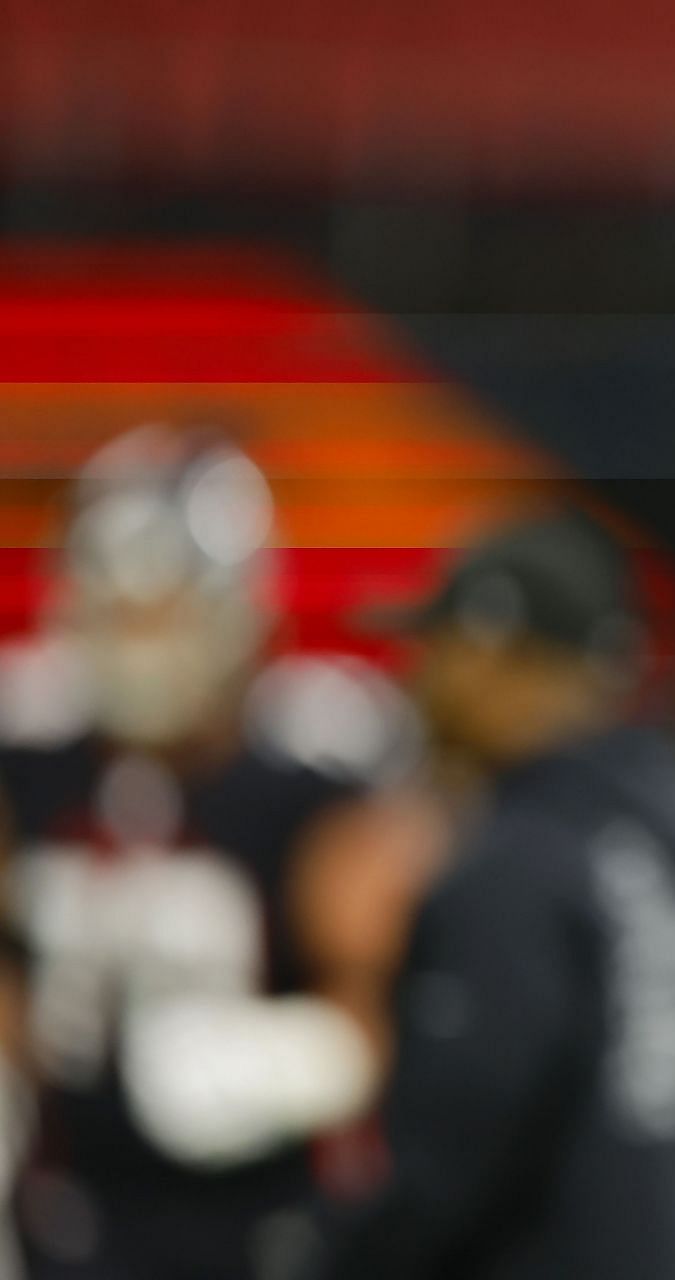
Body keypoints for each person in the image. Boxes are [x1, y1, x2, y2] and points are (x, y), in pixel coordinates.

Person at [0, 427, 409, 1279]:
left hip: (253, 1227)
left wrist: (289, 1058)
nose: (136, 642)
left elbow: (388, 1010)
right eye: (114, 609)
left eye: (162, 611)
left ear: (233, 605)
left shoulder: (310, 767)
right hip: (63, 1216)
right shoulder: (30, 756)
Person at [309, 507, 675, 1280]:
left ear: (492, 650)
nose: (418, 676)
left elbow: (452, 1154)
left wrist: (330, 1257)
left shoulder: (517, 863)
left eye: (438, 645)